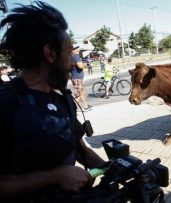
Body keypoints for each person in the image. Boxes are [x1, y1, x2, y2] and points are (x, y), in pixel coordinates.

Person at [0, 2, 105, 202]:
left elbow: (80, 149)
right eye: (68, 53)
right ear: (50, 53)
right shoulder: (6, 102)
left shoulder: (63, 100)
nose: (72, 63)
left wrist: (115, 168)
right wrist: (56, 176)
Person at [70, 46, 92, 111]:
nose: (77, 50)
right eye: (75, 49)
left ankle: (85, 106)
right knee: (79, 94)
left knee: (81, 92)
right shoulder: (76, 56)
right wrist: (85, 64)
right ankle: (71, 108)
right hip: (78, 79)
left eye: (77, 48)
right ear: (72, 50)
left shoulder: (71, 57)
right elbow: (80, 66)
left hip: (76, 78)